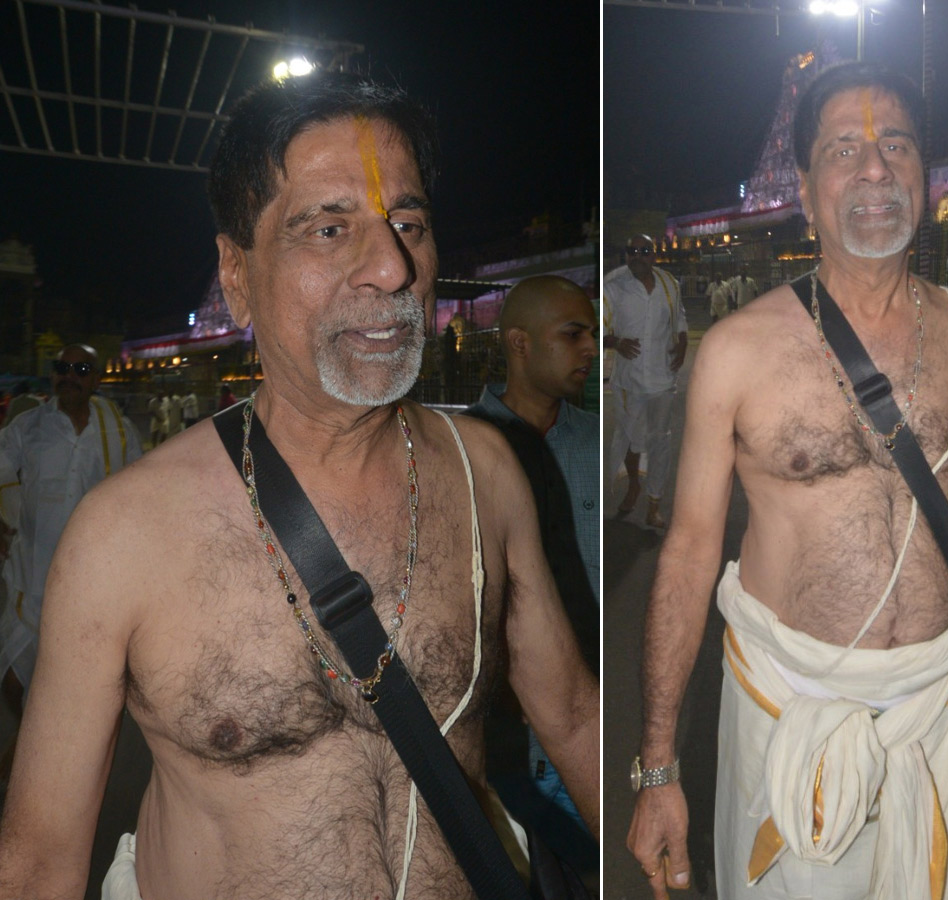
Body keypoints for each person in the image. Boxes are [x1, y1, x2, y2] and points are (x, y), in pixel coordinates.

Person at [0, 70, 598, 899]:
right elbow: (38, 864)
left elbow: (572, 716)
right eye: (327, 229)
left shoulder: (486, 474)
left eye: (409, 225)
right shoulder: (122, 538)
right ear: (235, 274)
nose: (391, 267)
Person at [626, 62, 948, 900]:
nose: (875, 169)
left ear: (923, 173)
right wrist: (658, 766)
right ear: (805, 189)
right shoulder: (738, 351)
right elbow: (689, 552)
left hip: (946, 709)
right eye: (843, 151)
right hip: (790, 711)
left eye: (896, 145)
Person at [461, 273, 600, 863]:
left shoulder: (594, 441)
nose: (591, 348)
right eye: (573, 334)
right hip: (509, 759)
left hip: (592, 736)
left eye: (593, 334)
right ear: (519, 343)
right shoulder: (459, 453)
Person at [0, 344, 141, 713]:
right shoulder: (28, 426)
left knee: (77, 685)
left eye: (81, 369)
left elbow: (139, 494)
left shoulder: (119, 433)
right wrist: (4, 518)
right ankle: (27, 733)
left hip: (91, 582)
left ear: (96, 380)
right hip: (33, 575)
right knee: (12, 680)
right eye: (62, 368)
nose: (69, 376)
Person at [604, 235, 687, 529]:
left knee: (660, 441)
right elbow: (595, 328)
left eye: (644, 251)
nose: (637, 256)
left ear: (654, 255)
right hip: (631, 382)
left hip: (663, 378)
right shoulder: (613, 286)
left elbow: (679, 318)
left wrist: (683, 342)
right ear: (626, 255)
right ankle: (633, 484)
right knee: (631, 439)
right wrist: (615, 342)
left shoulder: (668, 284)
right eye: (632, 251)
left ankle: (654, 503)